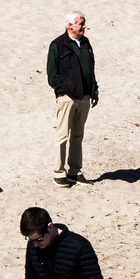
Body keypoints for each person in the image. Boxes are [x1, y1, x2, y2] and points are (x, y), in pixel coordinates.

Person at [47, 12, 99, 188]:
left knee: (77, 136)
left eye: (83, 24)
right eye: (81, 24)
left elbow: (91, 68)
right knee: (62, 135)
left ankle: (74, 172)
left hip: (84, 97)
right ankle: (58, 173)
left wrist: (94, 90)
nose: (84, 27)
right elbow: (52, 74)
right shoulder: (58, 45)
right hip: (68, 98)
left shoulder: (86, 43)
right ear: (70, 25)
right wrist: (62, 92)